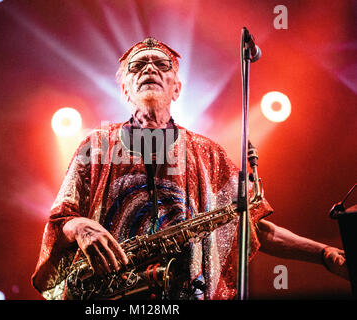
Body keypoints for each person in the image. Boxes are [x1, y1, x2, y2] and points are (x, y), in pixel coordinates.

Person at [31, 37, 348, 300]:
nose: (149, 69)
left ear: (177, 89)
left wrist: (322, 253)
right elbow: (62, 220)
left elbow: (254, 228)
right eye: (138, 66)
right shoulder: (96, 146)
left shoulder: (210, 154)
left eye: (160, 64)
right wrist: (81, 227)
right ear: (125, 89)